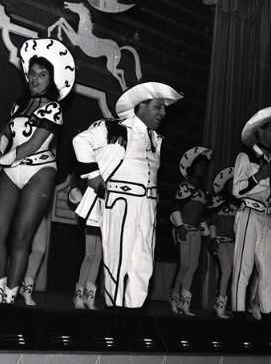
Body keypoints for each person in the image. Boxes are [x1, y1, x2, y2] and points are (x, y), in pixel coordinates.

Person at [73, 82, 182, 308]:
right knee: (117, 260)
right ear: (140, 106)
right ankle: (116, 312)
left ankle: (133, 312)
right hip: (121, 201)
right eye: (158, 107)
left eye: (164, 108)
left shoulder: (155, 138)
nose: (163, 112)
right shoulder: (115, 128)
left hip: (147, 205)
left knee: (143, 263)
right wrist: (93, 175)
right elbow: (80, 141)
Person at [0, 38, 75, 304]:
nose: (35, 79)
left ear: (52, 79)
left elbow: (34, 144)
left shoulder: (54, 108)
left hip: (39, 170)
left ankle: (11, 297)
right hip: (12, 168)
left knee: (21, 237)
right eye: (32, 73)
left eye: (42, 74)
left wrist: (5, 159)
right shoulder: (18, 105)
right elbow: (5, 133)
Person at [231, 106, 271, 319]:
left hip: (265, 219)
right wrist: (259, 177)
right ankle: (238, 315)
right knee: (243, 270)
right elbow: (237, 189)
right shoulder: (245, 157)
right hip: (248, 213)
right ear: (260, 132)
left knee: (268, 272)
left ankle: (268, 318)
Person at [169, 146, 212, 316]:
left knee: (193, 266)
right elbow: (175, 206)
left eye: (204, 166)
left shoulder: (202, 191)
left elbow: (202, 215)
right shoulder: (184, 186)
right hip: (184, 229)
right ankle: (174, 296)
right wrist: (179, 226)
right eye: (200, 165)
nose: (202, 168)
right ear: (192, 166)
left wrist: (208, 236)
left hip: (196, 231)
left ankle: (184, 303)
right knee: (184, 264)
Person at [207, 166, 239, 318]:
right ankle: (220, 306)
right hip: (219, 240)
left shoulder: (239, 203)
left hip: (233, 241)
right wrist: (213, 239)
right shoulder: (217, 199)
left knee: (230, 272)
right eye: (232, 182)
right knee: (226, 270)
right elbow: (212, 219)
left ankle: (220, 304)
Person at [70, 174, 103, 310]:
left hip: (103, 211)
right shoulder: (88, 169)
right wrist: (76, 195)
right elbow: (76, 187)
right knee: (90, 254)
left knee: (98, 256)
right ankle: (78, 295)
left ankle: (89, 297)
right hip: (90, 212)